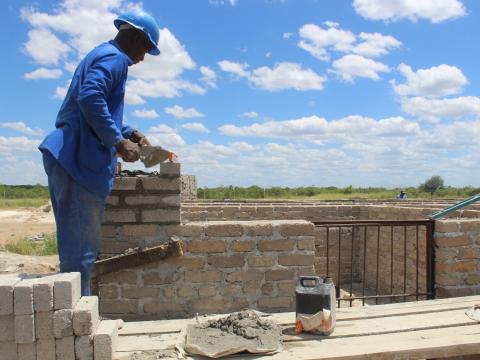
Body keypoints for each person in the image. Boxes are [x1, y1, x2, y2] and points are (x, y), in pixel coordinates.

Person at [38, 9, 160, 295]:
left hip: (71, 158)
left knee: (78, 248)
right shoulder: (115, 58)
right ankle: (77, 324)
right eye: (145, 47)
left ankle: (77, 317)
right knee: (80, 253)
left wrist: (129, 131)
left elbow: (94, 103)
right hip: (77, 161)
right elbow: (90, 97)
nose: (143, 57)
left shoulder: (103, 54)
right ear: (134, 35)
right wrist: (118, 142)